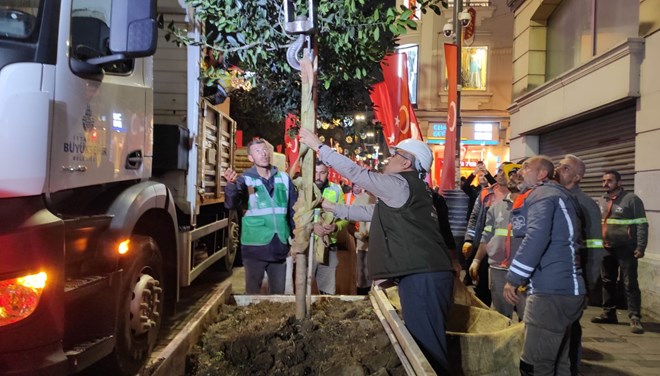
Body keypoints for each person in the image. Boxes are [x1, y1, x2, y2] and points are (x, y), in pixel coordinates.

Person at [299, 128, 455, 374]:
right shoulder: (415, 191)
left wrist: (320, 147)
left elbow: (357, 173)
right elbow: (374, 214)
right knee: (423, 344)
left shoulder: (400, 184)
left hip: (423, 276)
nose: (389, 159)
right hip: (428, 274)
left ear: (406, 162)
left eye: (395, 155)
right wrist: (333, 207)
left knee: (427, 353)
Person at [503, 156, 586, 375]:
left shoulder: (542, 195)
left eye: (526, 167)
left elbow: (535, 238)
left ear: (542, 174)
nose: (520, 172)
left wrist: (513, 279)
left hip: (551, 293)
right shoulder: (557, 195)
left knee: (534, 365)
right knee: (559, 361)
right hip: (566, 290)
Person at [223, 138, 297, 294]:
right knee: (253, 295)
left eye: (265, 150)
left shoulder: (284, 179)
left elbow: (293, 212)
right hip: (254, 246)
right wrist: (230, 185)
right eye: (258, 151)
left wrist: (295, 239)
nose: (263, 154)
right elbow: (231, 203)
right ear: (251, 158)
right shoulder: (245, 180)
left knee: (278, 296)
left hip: (279, 244)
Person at [555, 154, 606, 374]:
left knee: (570, 331)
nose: (558, 169)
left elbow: (595, 249)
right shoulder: (554, 198)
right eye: (559, 165)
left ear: (577, 177)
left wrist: (589, 284)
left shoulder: (585, 205)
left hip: (574, 282)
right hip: (553, 281)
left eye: (565, 168)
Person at [591, 170, 648, 334]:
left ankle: (635, 317)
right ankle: (609, 313)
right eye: (603, 181)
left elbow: (642, 224)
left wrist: (640, 247)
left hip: (626, 248)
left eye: (609, 180)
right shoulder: (602, 200)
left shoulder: (631, 200)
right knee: (607, 281)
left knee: (630, 283)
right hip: (606, 247)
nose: (605, 184)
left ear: (619, 182)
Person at [469, 163, 525, 320]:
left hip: (522, 271)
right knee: (501, 317)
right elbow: (487, 235)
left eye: (516, 173)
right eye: (511, 174)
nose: (513, 177)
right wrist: (477, 260)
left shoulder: (533, 206)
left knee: (525, 316)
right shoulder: (495, 207)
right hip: (497, 269)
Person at [462, 162, 510, 304]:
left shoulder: (519, 195)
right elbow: (474, 217)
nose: (500, 174)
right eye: (499, 171)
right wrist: (469, 239)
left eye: (504, 171)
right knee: (483, 290)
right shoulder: (486, 194)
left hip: (508, 253)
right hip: (485, 248)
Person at [312, 160, 349, 295]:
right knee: (304, 285)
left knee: (327, 289)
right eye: (315, 172)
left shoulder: (336, 190)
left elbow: (345, 217)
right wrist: (312, 227)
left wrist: (335, 227)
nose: (318, 176)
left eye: (322, 173)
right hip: (308, 245)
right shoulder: (304, 188)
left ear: (328, 173)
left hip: (329, 246)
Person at [351, 184, 375, 295]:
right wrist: (358, 234)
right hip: (363, 247)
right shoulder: (359, 201)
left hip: (381, 247)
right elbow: (350, 224)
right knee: (363, 280)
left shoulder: (384, 199)